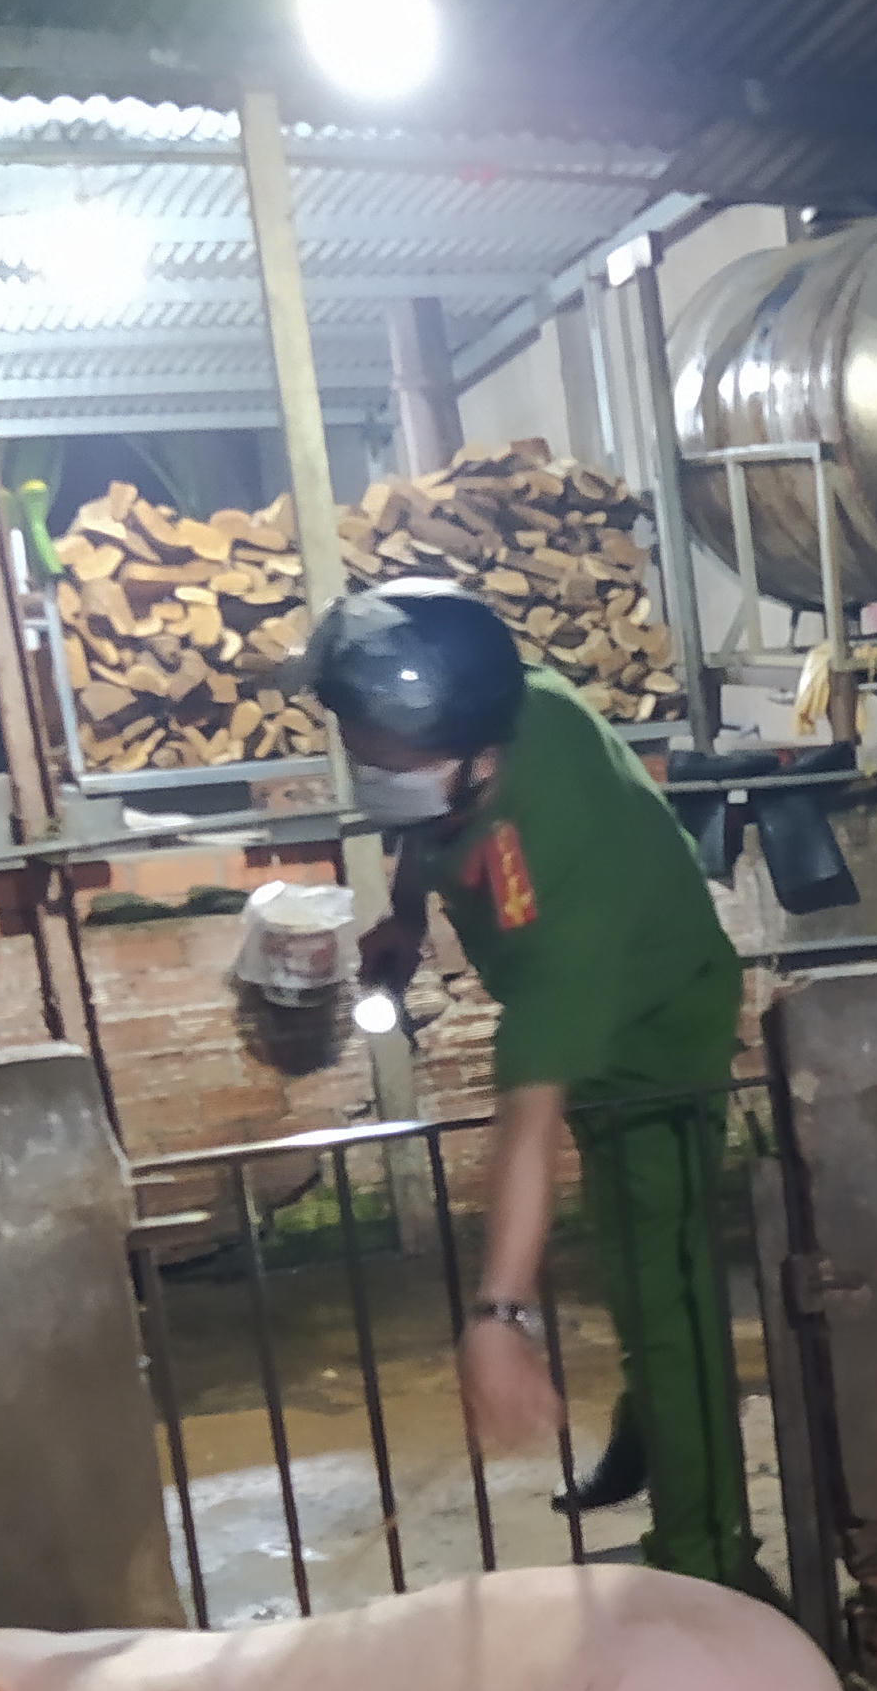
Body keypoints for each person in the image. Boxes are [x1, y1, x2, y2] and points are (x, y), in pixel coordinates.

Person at [301, 582, 757, 1587]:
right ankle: (652, 1438)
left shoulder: (563, 889)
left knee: (669, 1300)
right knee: (635, 1265)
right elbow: (426, 821)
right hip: (591, 994)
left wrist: (499, 1318)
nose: (372, 775)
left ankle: (714, 1563)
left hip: (656, 1035)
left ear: (471, 753)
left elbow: (528, 1121)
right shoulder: (504, 706)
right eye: (362, 753)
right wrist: (408, 914)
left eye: (386, 760)